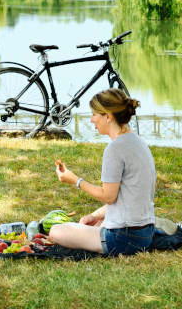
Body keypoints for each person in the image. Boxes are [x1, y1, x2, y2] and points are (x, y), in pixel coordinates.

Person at [51, 88, 156, 255]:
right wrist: (95, 215)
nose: (92, 120)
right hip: (145, 234)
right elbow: (130, 196)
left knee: (56, 231)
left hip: (124, 237)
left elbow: (109, 196)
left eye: (94, 114)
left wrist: (75, 180)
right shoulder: (139, 142)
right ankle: (100, 226)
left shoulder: (115, 149)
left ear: (108, 116)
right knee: (90, 224)